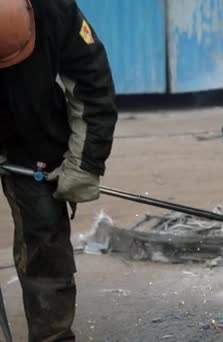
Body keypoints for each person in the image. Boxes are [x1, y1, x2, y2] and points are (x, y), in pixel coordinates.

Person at [0, 0, 118, 340]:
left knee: (46, 238)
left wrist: (84, 163)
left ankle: (51, 334)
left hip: (34, 133)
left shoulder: (55, 10)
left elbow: (93, 86)